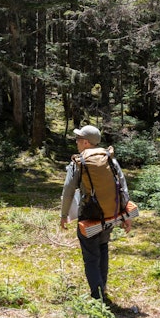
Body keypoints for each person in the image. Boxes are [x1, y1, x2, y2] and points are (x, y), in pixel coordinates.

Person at [60, 124, 131, 301]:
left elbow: (68, 191)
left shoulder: (79, 162)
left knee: (91, 256)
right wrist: (125, 216)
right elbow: (122, 187)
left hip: (89, 215)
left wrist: (63, 215)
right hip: (109, 214)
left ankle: (97, 297)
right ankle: (102, 288)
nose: (76, 142)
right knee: (102, 247)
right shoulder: (110, 158)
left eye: (78, 139)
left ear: (85, 142)